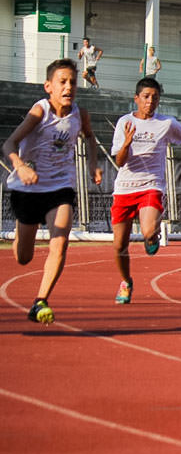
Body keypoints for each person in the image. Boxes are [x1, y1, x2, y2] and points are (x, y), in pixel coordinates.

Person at [3, 58, 102, 323]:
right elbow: (9, 143)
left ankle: (40, 300)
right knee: (24, 257)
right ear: (49, 86)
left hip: (60, 186)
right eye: (62, 81)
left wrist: (93, 165)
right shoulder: (40, 112)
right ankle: (19, 236)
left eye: (72, 82)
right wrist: (20, 166)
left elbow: (90, 137)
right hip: (28, 187)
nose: (68, 86)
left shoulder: (80, 115)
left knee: (60, 241)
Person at [110, 78, 181, 304]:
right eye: (146, 97)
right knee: (119, 246)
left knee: (147, 231)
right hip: (124, 188)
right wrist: (127, 143)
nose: (150, 101)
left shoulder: (166, 123)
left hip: (151, 185)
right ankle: (126, 282)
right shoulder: (124, 122)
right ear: (136, 98)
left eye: (155, 97)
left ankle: (152, 235)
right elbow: (119, 161)